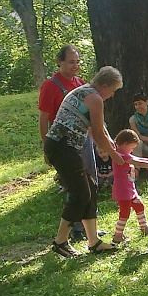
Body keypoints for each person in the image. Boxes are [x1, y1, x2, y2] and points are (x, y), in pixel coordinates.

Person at [45, 66, 126, 256]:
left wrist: (111, 141)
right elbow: (97, 134)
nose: (112, 95)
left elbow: (99, 126)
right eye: (113, 90)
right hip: (62, 147)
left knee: (90, 188)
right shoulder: (95, 98)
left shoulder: (84, 91)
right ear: (105, 86)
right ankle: (60, 241)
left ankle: (93, 242)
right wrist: (115, 156)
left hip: (63, 146)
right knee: (80, 193)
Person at [38, 45, 87, 239]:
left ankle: (89, 227)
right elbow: (43, 118)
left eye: (77, 62)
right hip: (62, 142)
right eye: (71, 62)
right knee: (73, 185)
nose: (75, 66)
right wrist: (46, 147)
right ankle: (75, 228)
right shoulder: (50, 86)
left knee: (88, 183)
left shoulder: (80, 83)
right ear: (60, 62)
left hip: (82, 139)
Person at [109, 129, 148, 243]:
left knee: (139, 206)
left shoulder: (125, 154)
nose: (132, 150)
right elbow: (138, 162)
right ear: (125, 144)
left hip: (130, 189)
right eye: (132, 148)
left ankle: (144, 228)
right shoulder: (121, 155)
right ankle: (118, 235)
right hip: (123, 191)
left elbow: (138, 159)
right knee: (125, 213)